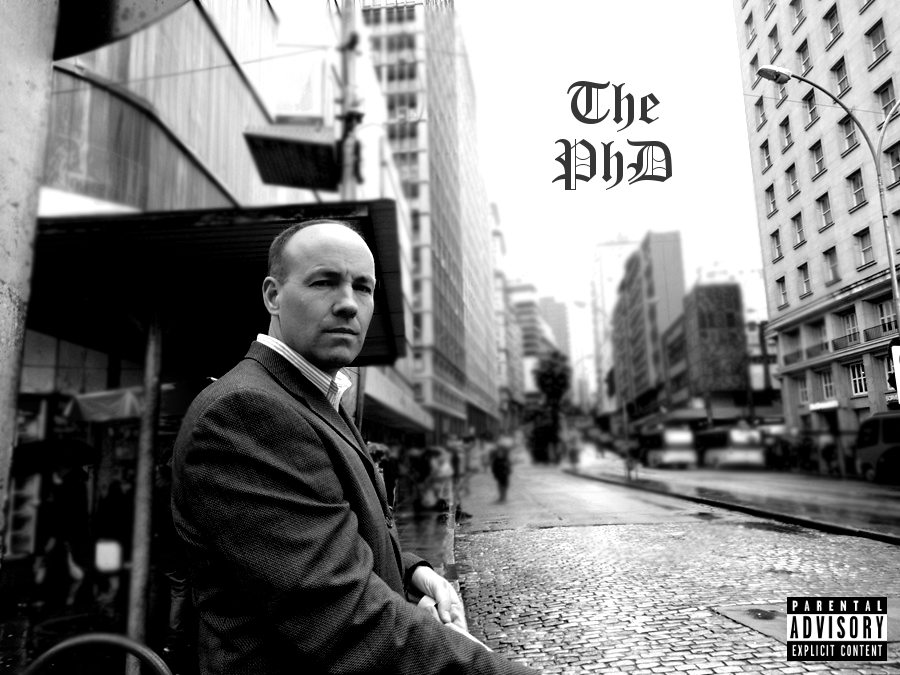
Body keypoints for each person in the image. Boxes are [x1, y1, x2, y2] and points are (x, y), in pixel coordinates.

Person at [171, 221, 539, 674]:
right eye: (324, 282)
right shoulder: (247, 412)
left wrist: (411, 571)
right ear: (273, 296)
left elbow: (333, 532)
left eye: (363, 287)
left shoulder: (312, 396)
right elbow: (346, 616)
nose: (349, 303)